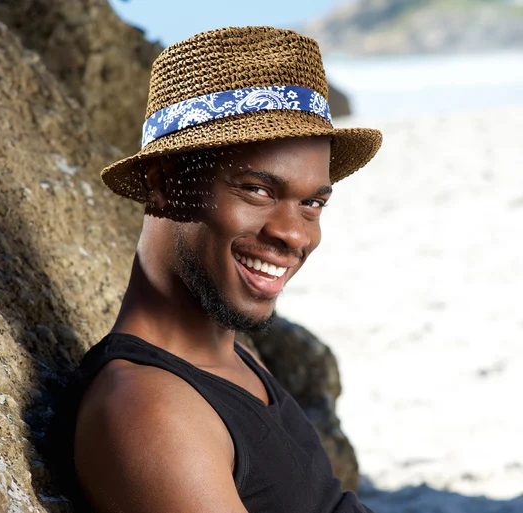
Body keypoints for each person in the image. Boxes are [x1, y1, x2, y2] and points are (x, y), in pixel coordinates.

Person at [65, 26, 382, 513]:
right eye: (257, 189)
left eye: (313, 202)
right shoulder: (150, 412)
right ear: (163, 183)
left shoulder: (228, 359)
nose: (295, 235)